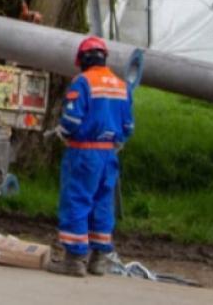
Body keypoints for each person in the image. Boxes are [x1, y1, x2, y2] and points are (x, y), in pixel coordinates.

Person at [47, 36, 134, 277]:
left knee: (77, 200)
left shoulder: (82, 82)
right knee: (102, 203)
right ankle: (98, 260)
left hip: (84, 152)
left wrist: (62, 133)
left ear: (83, 59)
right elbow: (128, 126)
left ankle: (74, 260)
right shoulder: (121, 85)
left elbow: (72, 120)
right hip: (108, 154)